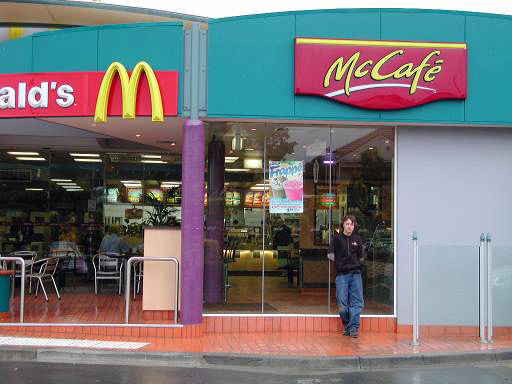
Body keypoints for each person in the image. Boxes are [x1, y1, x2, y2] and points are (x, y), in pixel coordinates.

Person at [328, 215, 364, 338]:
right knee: (342, 304)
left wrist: (355, 264)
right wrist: (340, 263)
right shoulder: (336, 239)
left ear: (354, 226)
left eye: (351, 224)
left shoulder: (358, 239)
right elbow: (330, 255)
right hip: (342, 275)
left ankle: (353, 328)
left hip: (356, 275)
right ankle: (348, 324)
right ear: (343, 225)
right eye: (347, 224)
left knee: (357, 302)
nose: (349, 226)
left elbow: (361, 257)